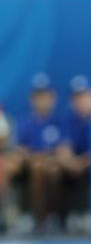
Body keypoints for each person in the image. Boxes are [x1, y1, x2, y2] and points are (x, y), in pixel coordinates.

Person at [14, 73, 66, 234]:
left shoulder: (60, 120)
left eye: (46, 96)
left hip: (55, 163)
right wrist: (37, 158)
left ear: (53, 97)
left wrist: (51, 159)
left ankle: (58, 216)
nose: (42, 100)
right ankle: (35, 217)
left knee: (54, 170)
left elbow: (64, 148)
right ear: (32, 99)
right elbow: (21, 150)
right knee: (37, 169)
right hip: (33, 164)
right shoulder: (25, 122)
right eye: (38, 96)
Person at [55, 75, 91, 234]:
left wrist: (84, 162)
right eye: (77, 97)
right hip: (75, 166)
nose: (81, 101)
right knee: (56, 171)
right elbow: (63, 148)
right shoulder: (68, 120)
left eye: (85, 96)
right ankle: (62, 217)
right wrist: (72, 163)